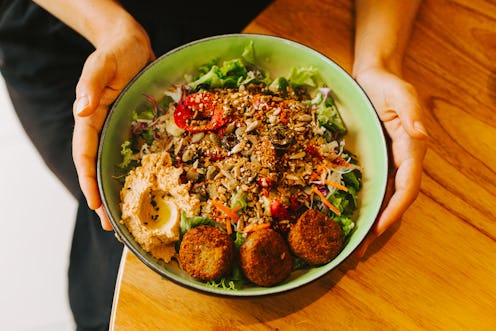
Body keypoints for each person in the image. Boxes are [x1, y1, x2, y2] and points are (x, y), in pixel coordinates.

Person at [0, 0, 427, 329]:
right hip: (72, 28)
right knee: (110, 245)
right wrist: (111, 28)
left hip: (251, 12)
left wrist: (378, 62)